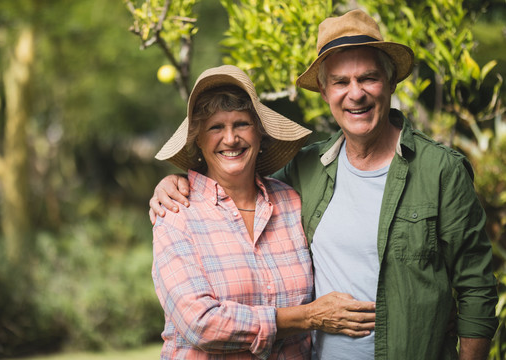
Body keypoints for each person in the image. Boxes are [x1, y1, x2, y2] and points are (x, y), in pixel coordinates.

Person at [149, 10, 498, 360]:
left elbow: (477, 288)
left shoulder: (440, 170)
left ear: (391, 83)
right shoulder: (305, 171)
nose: (355, 94)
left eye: (369, 78)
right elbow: (234, 184)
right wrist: (172, 184)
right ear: (324, 90)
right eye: (341, 82)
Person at [151, 64, 376, 359]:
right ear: (198, 141)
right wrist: (307, 317)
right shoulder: (177, 212)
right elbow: (201, 324)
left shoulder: (291, 202)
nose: (230, 139)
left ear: (260, 133)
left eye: (241, 124)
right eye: (216, 127)